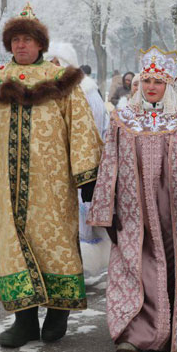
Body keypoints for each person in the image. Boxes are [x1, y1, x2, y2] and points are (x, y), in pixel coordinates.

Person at [0, 3, 103, 348]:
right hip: (7, 189)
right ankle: (25, 321)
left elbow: (81, 128)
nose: (21, 45)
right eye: (15, 39)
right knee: (13, 247)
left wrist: (88, 176)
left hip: (52, 187)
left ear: (40, 44)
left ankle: (58, 311)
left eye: (28, 39)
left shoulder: (62, 82)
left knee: (55, 244)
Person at [88, 47, 177, 352]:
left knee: (175, 266)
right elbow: (110, 163)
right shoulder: (122, 120)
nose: (151, 87)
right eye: (146, 81)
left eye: (158, 82)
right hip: (136, 210)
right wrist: (108, 210)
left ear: (169, 85)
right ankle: (135, 334)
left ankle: (175, 327)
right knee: (139, 266)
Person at [46, 41, 111, 279]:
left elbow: (92, 130)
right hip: (53, 167)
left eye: (55, 62)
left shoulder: (86, 91)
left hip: (79, 164)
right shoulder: (48, 92)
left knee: (81, 218)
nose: (51, 67)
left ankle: (81, 264)